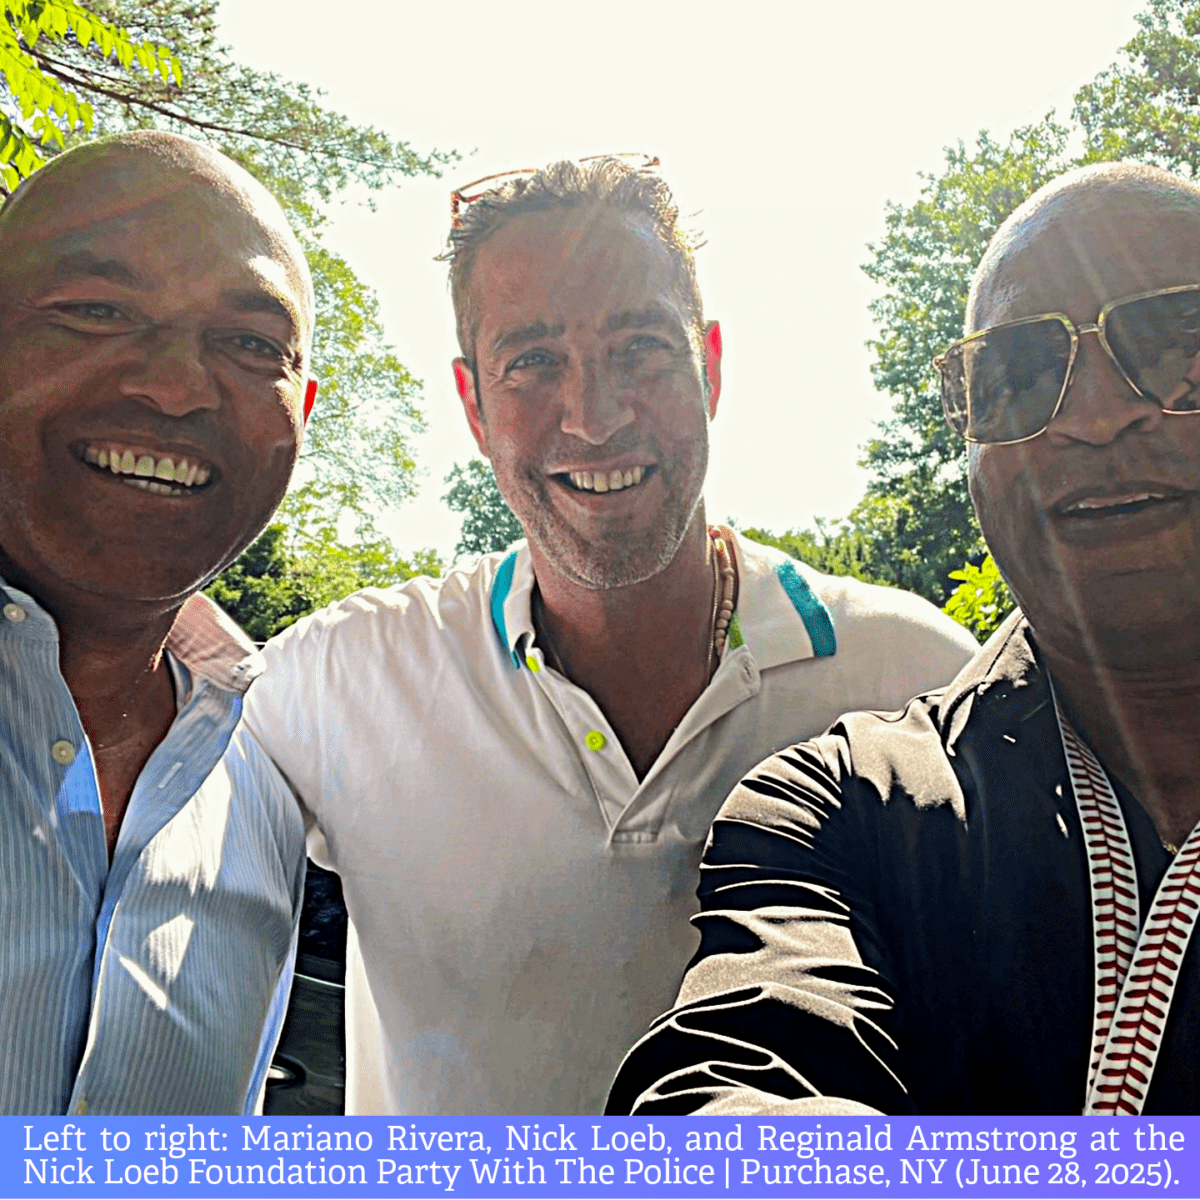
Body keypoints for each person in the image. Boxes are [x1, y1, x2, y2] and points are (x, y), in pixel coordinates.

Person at [244, 157, 977, 1115]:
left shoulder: (921, 681)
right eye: (535, 361)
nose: (594, 415)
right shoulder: (341, 679)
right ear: (472, 405)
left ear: (710, 369)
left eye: (640, 348)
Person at [607, 162, 1200, 1118]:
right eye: (1016, 376)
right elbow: (736, 1088)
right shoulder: (835, 811)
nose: (1092, 416)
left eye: (1178, 343)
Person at [0, 131, 315, 1115]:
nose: (176, 385)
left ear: (301, 409)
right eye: (96, 311)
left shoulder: (276, 778)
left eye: (251, 344)